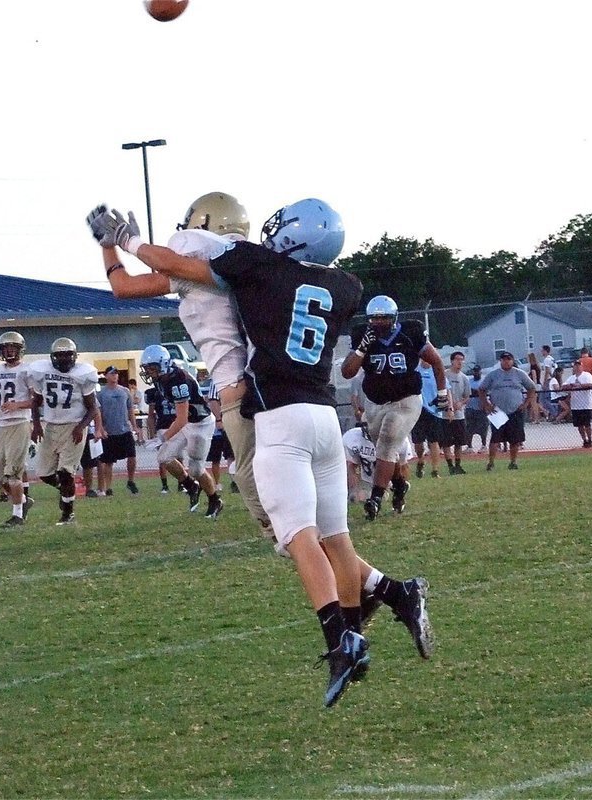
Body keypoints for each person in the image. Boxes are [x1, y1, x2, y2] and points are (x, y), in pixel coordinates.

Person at [101, 197, 434, 707]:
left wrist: (123, 240)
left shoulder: (245, 262)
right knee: (332, 537)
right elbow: (142, 282)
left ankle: (345, 639)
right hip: (322, 411)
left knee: (294, 537)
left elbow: (168, 262)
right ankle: (385, 601)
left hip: (265, 410)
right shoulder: (343, 285)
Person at [86, 193, 268, 533]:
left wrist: (118, 243)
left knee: (255, 482)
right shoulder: (264, 262)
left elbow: (124, 286)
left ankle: (305, 544)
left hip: (236, 386)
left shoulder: (198, 264)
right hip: (280, 381)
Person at [341, 295, 448, 518]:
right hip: (374, 403)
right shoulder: (362, 335)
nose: (379, 322)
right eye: (375, 318)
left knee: (387, 443)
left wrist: (442, 394)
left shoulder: (410, 332)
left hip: (405, 400)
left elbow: (436, 361)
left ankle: (376, 498)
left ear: (394, 317)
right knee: (384, 452)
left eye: (384, 318)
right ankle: (399, 484)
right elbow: (347, 372)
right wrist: (362, 348)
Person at [140, 345, 223, 519]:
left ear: (164, 364)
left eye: (152, 368)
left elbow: (182, 419)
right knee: (164, 457)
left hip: (200, 424)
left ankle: (215, 500)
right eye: (147, 369)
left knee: (196, 468)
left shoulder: (178, 380)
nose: (149, 373)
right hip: (186, 422)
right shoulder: (162, 378)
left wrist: (163, 437)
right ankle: (191, 485)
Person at [29, 337, 99, 525]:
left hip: (73, 426)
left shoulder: (83, 375)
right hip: (50, 426)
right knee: (45, 474)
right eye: (60, 355)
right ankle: (66, 491)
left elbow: (93, 408)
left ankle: (68, 513)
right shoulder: (43, 373)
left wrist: (81, 427)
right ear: (53, 357)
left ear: (74, 356)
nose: (64, 359)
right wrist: (36, 425)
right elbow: (35, 402)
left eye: (68, 355)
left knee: (66, 471)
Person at [0, 331, 36, 527]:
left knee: (13, 473)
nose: (9, 351)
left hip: (19, 422)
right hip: (0, 425)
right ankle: (24, 501)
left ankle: (17, 515)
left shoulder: (28, 370)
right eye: (6, 348)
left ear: (20, 350)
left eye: (13, 348)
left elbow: (38, 400)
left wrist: (17, 405)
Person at [479, 351, 537, 470]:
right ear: (500, 361)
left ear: (512, 360)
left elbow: (531, 388)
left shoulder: (519, 374)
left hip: (515, 411)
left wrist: (526, 403)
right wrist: (486, 404)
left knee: (514, 440)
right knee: (495, 439)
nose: (506, 362)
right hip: (497, 412)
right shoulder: (493, 375)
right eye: (504, 359)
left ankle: (513, 462)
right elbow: (482, 389)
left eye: (509, 359)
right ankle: (491, 463)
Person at [97, 366, 139, 496]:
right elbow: (98, 412)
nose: (114, 376)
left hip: (124, 430)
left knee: (132, 456)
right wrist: (101, 428)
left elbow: (130, 410)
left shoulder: (125, 391)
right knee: (108, 461)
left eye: (116, 373)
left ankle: (131, 481)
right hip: (109, 432)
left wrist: (135, 426)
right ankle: (108, 487)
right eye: (111, 374)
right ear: (106, 376)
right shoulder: (101, 393)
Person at [410, 359, 448, 479]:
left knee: (434, 441)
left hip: (434, 411)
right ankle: (421, 460)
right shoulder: (415, 371)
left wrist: (449, 407)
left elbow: (446, 389)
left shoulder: (437, 371)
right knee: (418, 443)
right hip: (418, 409)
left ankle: (435, 470)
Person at [144, 382, 177, 493]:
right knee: (163, 458)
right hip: (162, 427)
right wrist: (152, 433)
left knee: (179, 456)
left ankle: (182, 484)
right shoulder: (154, 393)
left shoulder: (175, 389)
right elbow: (151, 416)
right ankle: (165, 485)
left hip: (177, 426)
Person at [442, 351, 470, 474]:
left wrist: (461, 403)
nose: (460, 362)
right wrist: (448, 405)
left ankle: (458, 465)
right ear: (452, 361)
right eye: (457, 359)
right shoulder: (445, 375)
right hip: (445, 415)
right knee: (446, 442)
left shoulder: (464, 378)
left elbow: (467, 396)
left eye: (462, 359)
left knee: (459, 442)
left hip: (459, 415)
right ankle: (450, 466)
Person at [205, 382, 236, 493]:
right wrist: (219, 419)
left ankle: (236, 481)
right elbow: (213, 400)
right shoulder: (217, 382)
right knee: (225, 455)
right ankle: (231, 482)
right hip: (223, 425)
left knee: (234, 454)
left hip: (234, 421)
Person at [561, 359, 592, 447]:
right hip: (575, 405)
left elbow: (591, 385)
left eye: (578, 365)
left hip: (586, 405)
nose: (577, 367)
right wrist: (570, 386)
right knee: (579, 425)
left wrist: (579, 385)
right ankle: (584, 440)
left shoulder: (587, 375)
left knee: (587, 424)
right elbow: (563, 386)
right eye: (575, 366)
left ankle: (590, 440)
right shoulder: (571, 378)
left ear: (582, 366)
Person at [465, 365, 489, 451]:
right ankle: (469, 447)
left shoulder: (484, 381)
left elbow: (484, 392)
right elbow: (467, 392)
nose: (476, 373)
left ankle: (484, 445)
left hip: (481, 408)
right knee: (469, 428)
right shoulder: (469, 381)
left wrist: (476, 392)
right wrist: (477, 392)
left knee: (483, 428)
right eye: (475, 371)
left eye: (477, 371)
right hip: (470, 408)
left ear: (480, 372)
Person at [127, 378, 146, 443]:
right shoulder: (133, 392)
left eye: (129, 385)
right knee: (136, 425)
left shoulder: (138, 392)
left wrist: (131, 398)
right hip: (134, 411)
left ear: (132, 385)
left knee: (139, 425)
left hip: (139, 410)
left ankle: (141, 438)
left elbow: (137, 400)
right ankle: (138, 438)